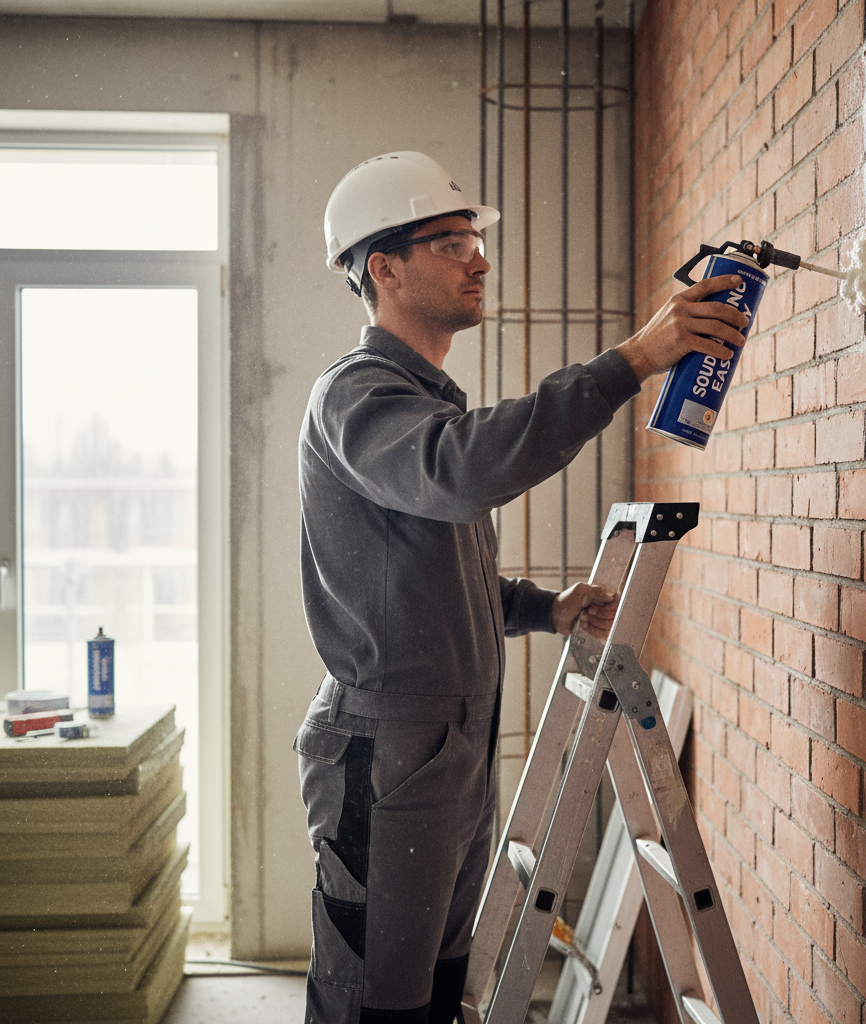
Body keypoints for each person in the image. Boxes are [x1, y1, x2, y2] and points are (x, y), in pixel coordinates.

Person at [295, 150, 749, 1024]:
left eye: (474, 238)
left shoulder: (420, 401)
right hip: (388, 750)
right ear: (382, 268)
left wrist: (543, 607)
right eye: (452, 240)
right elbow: (463, 472)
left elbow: (431, 574)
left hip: (449, 741)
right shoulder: (357, 397)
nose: (480, 258)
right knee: (374, 1003)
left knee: (434, 986)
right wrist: (633, 359)